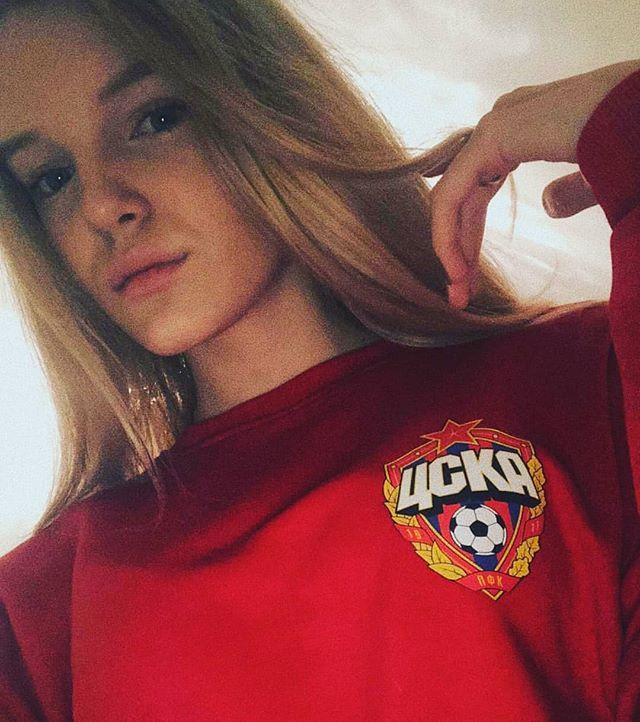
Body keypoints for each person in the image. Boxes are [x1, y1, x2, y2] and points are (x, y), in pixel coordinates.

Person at [0, 0, 637, 720]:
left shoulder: (587, 381)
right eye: (50, 178)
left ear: (269, 103)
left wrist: (628, 124)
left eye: (156, 119)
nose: (99, 206)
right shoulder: (37, 615)